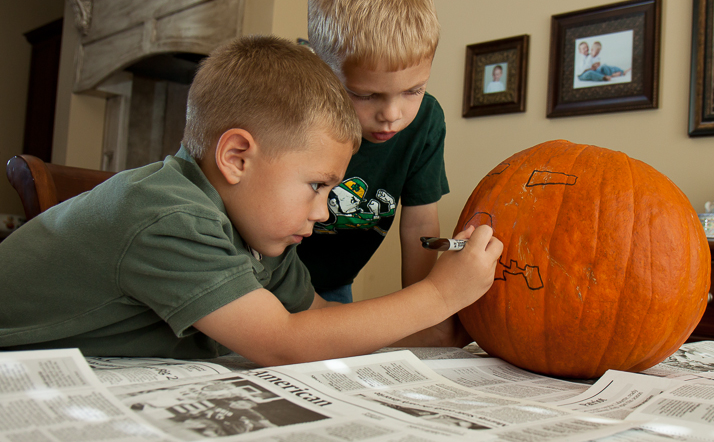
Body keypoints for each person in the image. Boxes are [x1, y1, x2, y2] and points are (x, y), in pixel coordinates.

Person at [0, 35, 502, 364]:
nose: (324, 211)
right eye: (316, 185)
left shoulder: (262, 240)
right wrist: (439, 295)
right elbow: (283, 341)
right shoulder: (169, 213)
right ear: (237, 157)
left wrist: (433, 332)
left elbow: (317, 320)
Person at [299, 0, 452, 316]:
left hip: (336, 285)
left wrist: (423, 313)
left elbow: (419, 224)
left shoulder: (426, 123)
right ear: (323, 69)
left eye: (413, 90)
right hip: (262, 277)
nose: (393, 114)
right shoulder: (293, 112)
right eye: (366, 95)